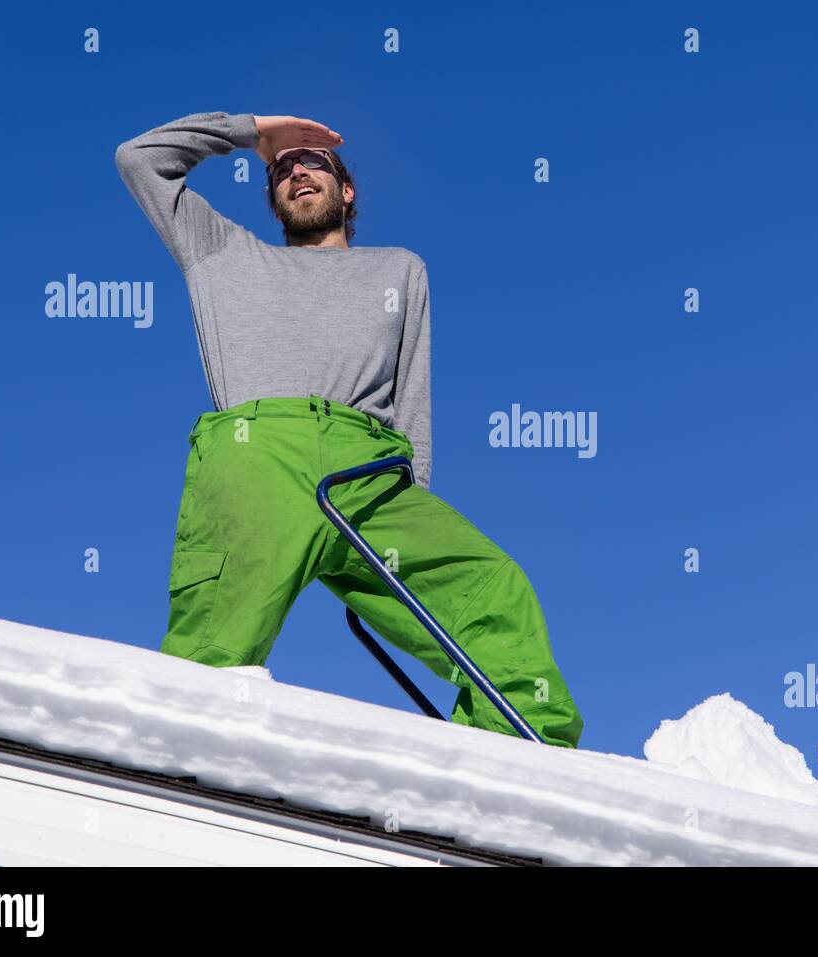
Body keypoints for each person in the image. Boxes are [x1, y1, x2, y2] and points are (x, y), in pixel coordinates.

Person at [114, 111, 582, 748]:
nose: (297, 172)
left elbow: (411, 398)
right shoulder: (221, 252)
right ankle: (165, 786)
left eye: (313, 163)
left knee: (493, 586)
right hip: (259, 455)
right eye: (282, 169)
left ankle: (522, 762)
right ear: (271, 195)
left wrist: (414, 503)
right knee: (211, 651)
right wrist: (254, 131)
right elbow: (140, 159)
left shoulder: (400, 270)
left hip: (370, 474)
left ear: (348, 190)